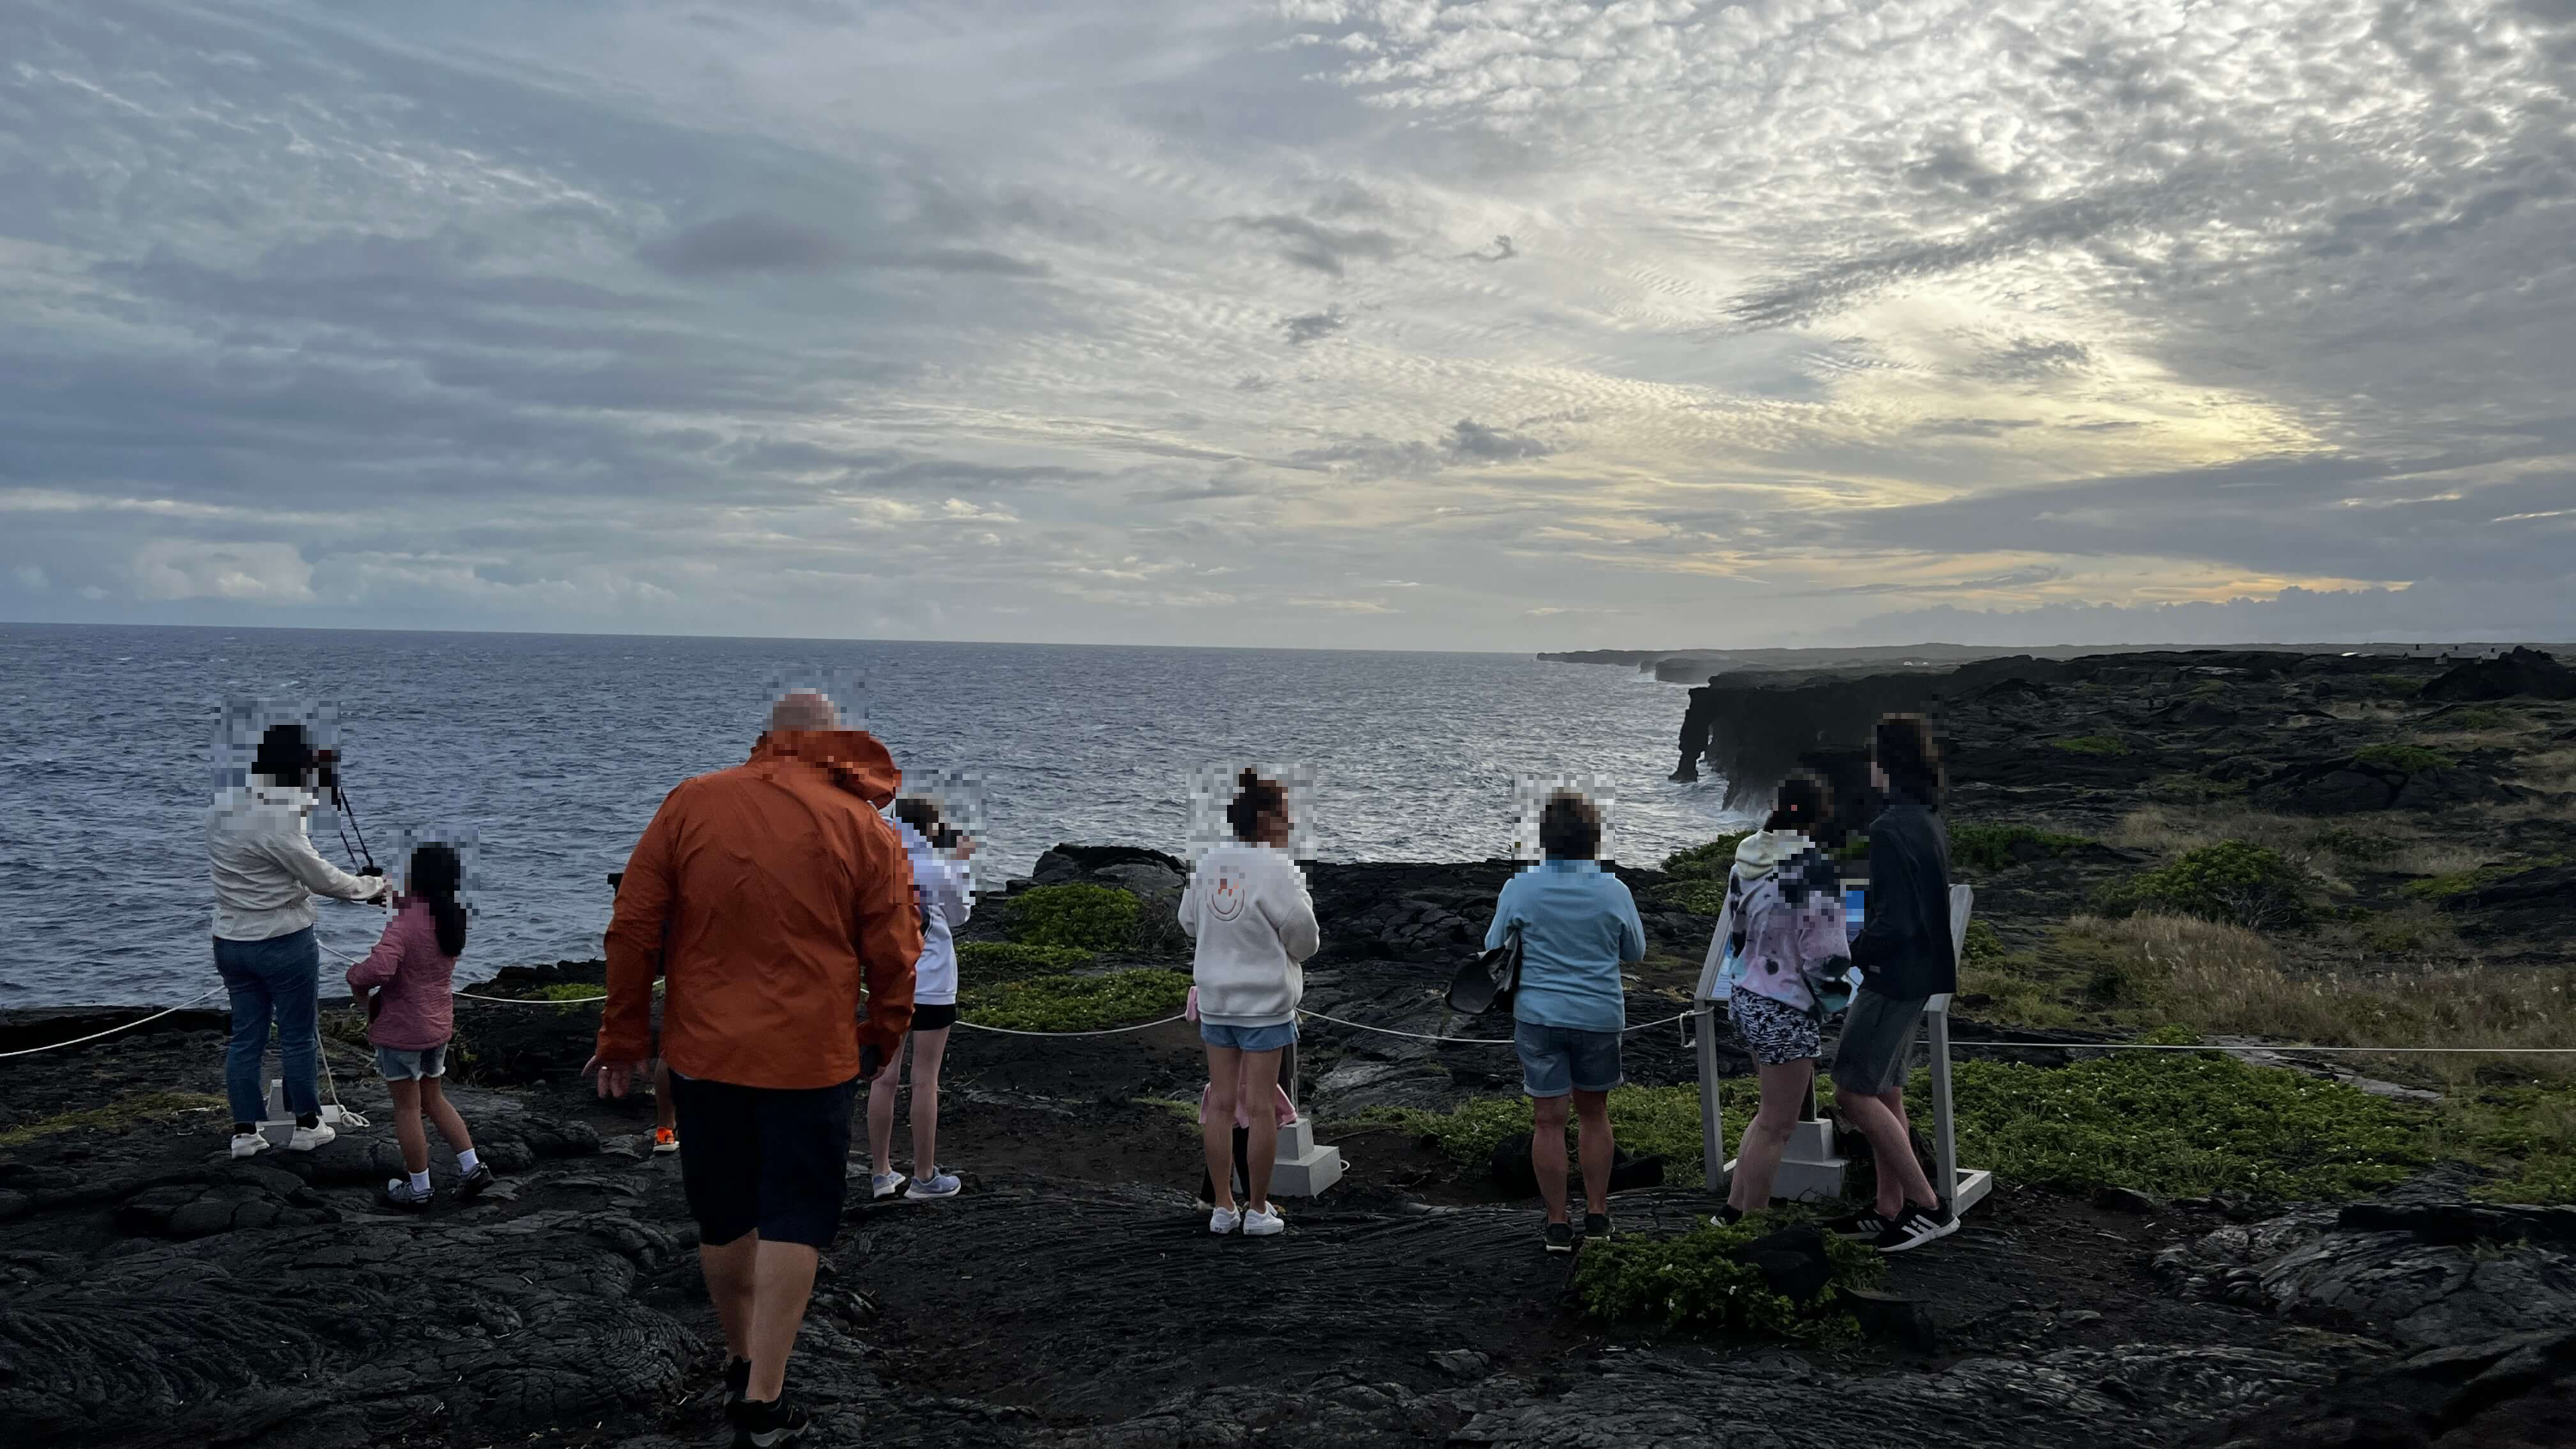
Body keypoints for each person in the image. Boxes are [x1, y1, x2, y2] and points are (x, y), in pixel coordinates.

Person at [587, 690, 922, 1447]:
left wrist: (622, 1035)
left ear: (765, 738)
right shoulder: (862, 825)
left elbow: (633, 927)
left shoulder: (691, 801)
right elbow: (897, 949)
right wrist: (885, 1031)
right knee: (795, 1215)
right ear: (830, 743)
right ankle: (764, 1399)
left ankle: (738, 1359)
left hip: (704, 1052)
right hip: (811, 1056)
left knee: (725, 1210)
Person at [208, 721, 388, 1158]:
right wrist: (372, 888)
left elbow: (283, 834)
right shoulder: (276, 819)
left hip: (229, 940)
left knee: (246, 1038)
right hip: (282, 940)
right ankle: (308, 1123)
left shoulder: (224, 805)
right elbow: (321, 877)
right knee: (297, 1034)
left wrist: (313, 793)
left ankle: (246, 1133)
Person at [1485, 790, 1646, 1254]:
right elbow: (1634, 951)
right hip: (1598, 1015)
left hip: (1538, 1016)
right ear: (1592, 837)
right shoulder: (1614, 889)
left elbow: (1493, 944)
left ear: (1544, 839)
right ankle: (1598, 1214)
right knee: (1594, 1114)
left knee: (1547, 1122)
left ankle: (1557, 1222)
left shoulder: (1520, 887)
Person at [1827, 713, 1959, 1254]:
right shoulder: (1926, 819)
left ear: (1886, 766)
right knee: (1885, 1088)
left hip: (1891, 978)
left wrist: (1844, 954)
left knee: (1851, 1092)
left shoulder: (1887, 828)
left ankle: (1929, 1207)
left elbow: (1895, 922)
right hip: (1922, 974)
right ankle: (1889, 1207)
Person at [1179, 769, 1319, 1238]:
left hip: (1216, 1002)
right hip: (1264, 1006)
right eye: (1285, 815)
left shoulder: (1208, 863)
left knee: (1219, 1105)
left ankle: (1222, 1206)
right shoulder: (1278, 868)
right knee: (1260, 1109)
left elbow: (1189, 922)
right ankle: (1257, 1209)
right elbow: (1304, 937)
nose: (1292, 823)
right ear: (1267, 820)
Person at [1712, 776, 1850, 1227]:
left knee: (1767, 1116)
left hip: (1746, 996)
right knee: (1778, 1127)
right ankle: (1753, 1222)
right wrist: (1837, 1001)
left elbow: (1735, 932)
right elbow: (1825, 959)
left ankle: (1733, 1211)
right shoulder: (1813, 872)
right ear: (1816, 817)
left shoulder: (1746, 860)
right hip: (1786, 1009)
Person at [344, 842, 495, 1210]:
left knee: (407, 1109)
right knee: (434, 1097)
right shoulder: (451, 914)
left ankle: (419, 1188)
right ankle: (472, 1166)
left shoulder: (405, 923)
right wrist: (379, 886)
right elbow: (407, 901)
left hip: (401, 1030)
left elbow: (379, 969)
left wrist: (354, 978)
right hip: (438, 1024)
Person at [866, 796, 974, 1200]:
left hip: (888, 981)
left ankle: (881, 1173)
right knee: (925, 1080)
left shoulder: (879, 864)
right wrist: (962, 864)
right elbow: (961, 915)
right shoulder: (938, 866)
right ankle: (924, 1177)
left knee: (884, 1077)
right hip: (933, 984)